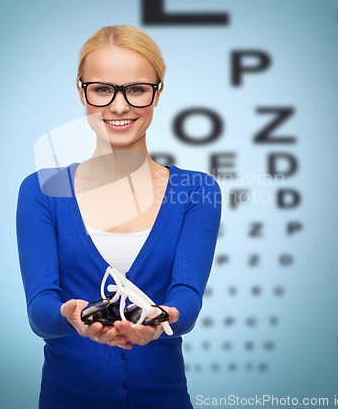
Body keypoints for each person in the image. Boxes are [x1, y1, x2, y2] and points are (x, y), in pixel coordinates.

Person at [16, 25, 222, 408]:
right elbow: (40, 309)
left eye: (137, 89)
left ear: (158, 93)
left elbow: (187, 301)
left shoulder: (196, 191)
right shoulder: (41, 191)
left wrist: (163, 320)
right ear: (82, 91)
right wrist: (71, 315)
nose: (120, 106)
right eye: (102, 89)